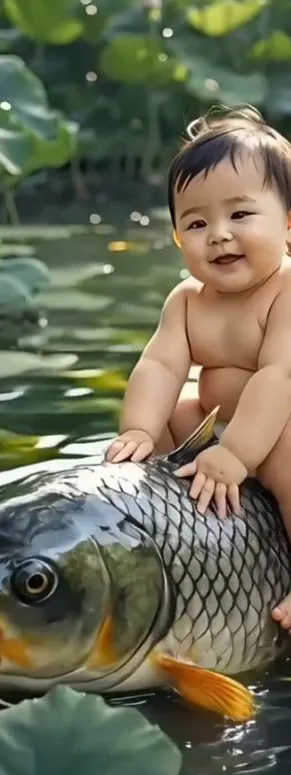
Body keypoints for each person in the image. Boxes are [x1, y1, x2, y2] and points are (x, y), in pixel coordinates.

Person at [105, 104, 291, 631]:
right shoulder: (187, 300)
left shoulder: (285, 291)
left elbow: (279, 377)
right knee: (172, 414)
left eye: (241, 214)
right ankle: (170, 524)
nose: (219, 234)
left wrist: (235, 455)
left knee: (289, 464)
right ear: (178, 238)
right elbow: (160, 365)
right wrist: (139, 429)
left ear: (288, 223)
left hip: (278, 427)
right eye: (197, 221)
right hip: (222, 423)